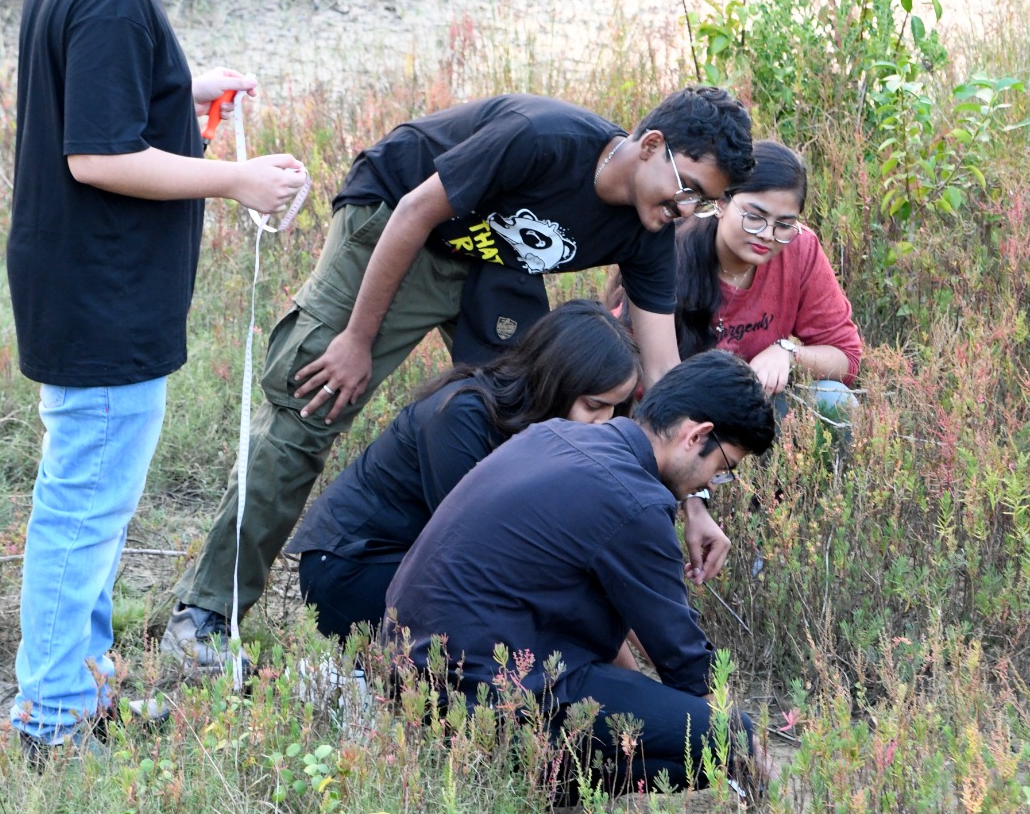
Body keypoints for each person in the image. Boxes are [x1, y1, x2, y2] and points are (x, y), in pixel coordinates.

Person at [161, 85, 755, 669]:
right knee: (315, 404)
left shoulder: (647, 230)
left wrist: (694, 497)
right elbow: (415, 210)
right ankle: (206, 612)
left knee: (540, 419)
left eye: (704, 204)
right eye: (689, 190)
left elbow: (662, 371)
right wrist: (357, 340)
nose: (687, 212)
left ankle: (482, 600)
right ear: (651, 145)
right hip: (397, 224)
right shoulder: (542, 139)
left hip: (492, 259)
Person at [7, 0, 308, 755]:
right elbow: (95, 156)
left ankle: (79, 691)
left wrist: (190, 88)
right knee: (82, 512)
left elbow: (114, 111)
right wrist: (237, 179)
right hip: (100, 301)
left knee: (91, 503)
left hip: (91, 289)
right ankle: (51, 720)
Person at [383, 351, 776, 794]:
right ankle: (519, 787)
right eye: (720, 471)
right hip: (484, 698)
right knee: (726, 737)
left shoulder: (552, 435)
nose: (705, 486)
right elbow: (685, 665)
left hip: (412, 679)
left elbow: (602, 631)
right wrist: (744, 750)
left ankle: (505, 775)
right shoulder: (637, 502)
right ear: (697, 436)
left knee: (666, 716)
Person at [292, 300, 641, 642]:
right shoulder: (462, 416)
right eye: (594, 405)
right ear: (555, 382)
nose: (604, 423)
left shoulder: (551, 435)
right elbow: (484, 558)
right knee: (520, 618)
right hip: (353, 565)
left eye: (615, 408)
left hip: (419, 565)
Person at [611, 140, 862, 406]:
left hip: (754, 409)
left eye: (784, 224)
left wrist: (789, 353)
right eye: (754, 217)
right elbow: (620, 364)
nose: (767, 235)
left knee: (836, 399)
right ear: (721, 203)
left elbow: (845, 356)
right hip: (675, 411)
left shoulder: (800, 249)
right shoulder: (670, 253)